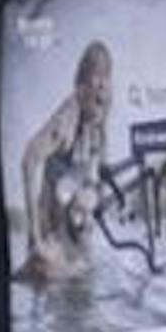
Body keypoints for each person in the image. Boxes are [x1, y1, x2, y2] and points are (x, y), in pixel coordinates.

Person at [19, 40, 113, 281]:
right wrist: (35, 236)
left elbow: (99, 168)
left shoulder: (99, 114)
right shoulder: (66, 122)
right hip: (53, 239)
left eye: (107, 76)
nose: (103, 85)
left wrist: (97, 199)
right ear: (81, 86)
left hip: (77, 237)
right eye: (96, 76)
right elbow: (29, 158)